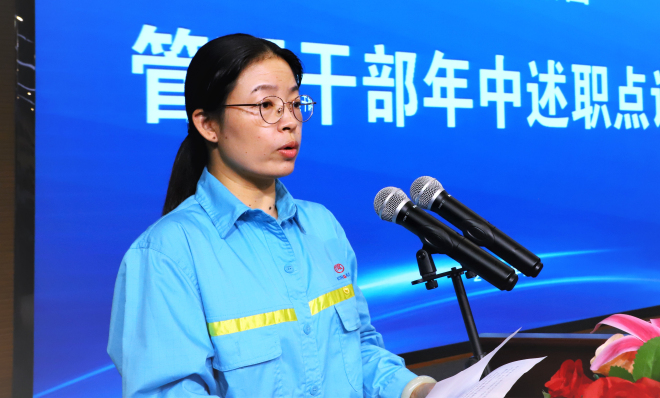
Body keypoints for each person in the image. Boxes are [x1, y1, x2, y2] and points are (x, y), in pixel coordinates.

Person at [108, 34, 436, 398]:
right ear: (208, 125)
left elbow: (358, 350)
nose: (289, 121)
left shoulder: (322, 225)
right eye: (266, 104)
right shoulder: (166, 254)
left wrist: (419, 391)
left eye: (294, 103)